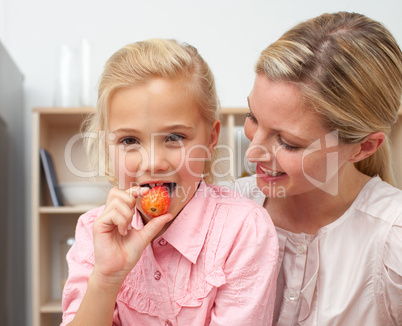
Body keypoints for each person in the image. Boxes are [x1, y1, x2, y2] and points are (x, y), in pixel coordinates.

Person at [61, 38, 279, 326]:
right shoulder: (93, 232)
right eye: (129, 140)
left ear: (211, 138)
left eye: (174, 138)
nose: (153, 162)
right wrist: (106, 279)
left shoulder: (244, 229)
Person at [225, 11, 402, 325]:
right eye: (253, 118)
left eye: (289, 143)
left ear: (363, 147)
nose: (252, 153)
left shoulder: (392, 239)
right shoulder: (222, 211)